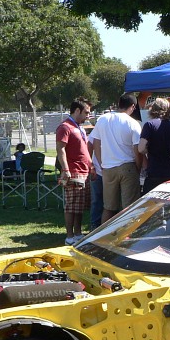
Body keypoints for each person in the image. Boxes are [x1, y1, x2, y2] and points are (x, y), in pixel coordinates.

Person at [91, 93, 142, 223]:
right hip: (128, 166)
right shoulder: (133, 123)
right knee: (129, 207)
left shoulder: (103, 119)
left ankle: (105, 233)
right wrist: (138, 167)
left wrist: (101, 163)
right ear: (133, 106)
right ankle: (128, 234)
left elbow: (96, 143)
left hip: (108, 168)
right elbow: (137, 150)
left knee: (108, 207)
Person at [55, 99, 93, 245]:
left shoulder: (79, 127)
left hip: (84, 171)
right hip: (73, 171)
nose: (88, 116)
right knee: (71, 206)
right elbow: (60, 149)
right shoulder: (65, 127)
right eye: (86, 112)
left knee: (79, 206)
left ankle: (78, 234)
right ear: (77, 110)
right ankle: (69, 237)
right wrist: (65, 169)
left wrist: (91, 166)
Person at [139, 97, 170, 193]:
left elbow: (141, 148)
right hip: (168, 172)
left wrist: (147, 150)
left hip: (153, 171)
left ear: (153, 109)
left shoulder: (149, 125)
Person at [86, 129, 103, 231]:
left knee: (110, 202)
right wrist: (91, 165)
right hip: (98, 171)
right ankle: (94, 225)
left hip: (112, 170)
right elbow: (89, 145)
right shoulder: (99, 127)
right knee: (97, 199)